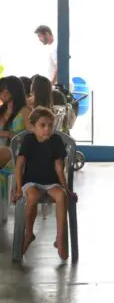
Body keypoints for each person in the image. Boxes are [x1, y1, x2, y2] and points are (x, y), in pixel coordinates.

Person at [11, 108, 72, 260]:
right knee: (32, 196)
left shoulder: (56, 140)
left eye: (50, 126)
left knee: (61, 196)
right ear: (33, 126)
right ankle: (29, 233)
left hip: (51, 182)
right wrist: (18, 189)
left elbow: (59, 167)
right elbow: (19, 165)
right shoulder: (29, 140)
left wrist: (66, 189)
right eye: (42, 125)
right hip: (31, 181)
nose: (47, 129)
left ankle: (59, 238)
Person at [0, 76, 31, 174]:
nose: (2, 94)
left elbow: (32, 136)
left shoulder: (25, 111)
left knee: (4, 151)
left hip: (17, 152)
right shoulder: (2, 110)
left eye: (6, 90)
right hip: (4, 148)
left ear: (14, 91)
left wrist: (10, 134)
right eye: (1, 90)